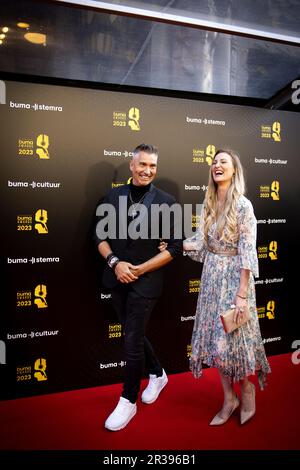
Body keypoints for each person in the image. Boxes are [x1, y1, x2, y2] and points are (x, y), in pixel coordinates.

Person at [95, 143, 182, 431]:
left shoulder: (168, 201)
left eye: (153, 166)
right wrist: (115, 263)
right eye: (142, 165)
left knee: (131, 340)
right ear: (132, 166)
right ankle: (158, 373)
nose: (148, 170)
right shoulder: (112, 195)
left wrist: (141, 269)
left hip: (146, 282)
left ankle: (128, 400)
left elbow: (175, 247)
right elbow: (99, 237)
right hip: (116, 278)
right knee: (133, 333)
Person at [183, 148, 271, 426]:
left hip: (236, 281)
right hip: (211, 280)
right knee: (217, 344)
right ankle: (228, 398)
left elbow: (247, 251)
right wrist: (175, 245)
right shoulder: (208, 202)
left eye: (224, 162)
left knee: (235, 341)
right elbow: (202, 242)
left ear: (234, 170)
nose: (217, 165)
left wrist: (242, 294)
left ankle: (246, 389)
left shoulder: (244, 206)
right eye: (214, 162)